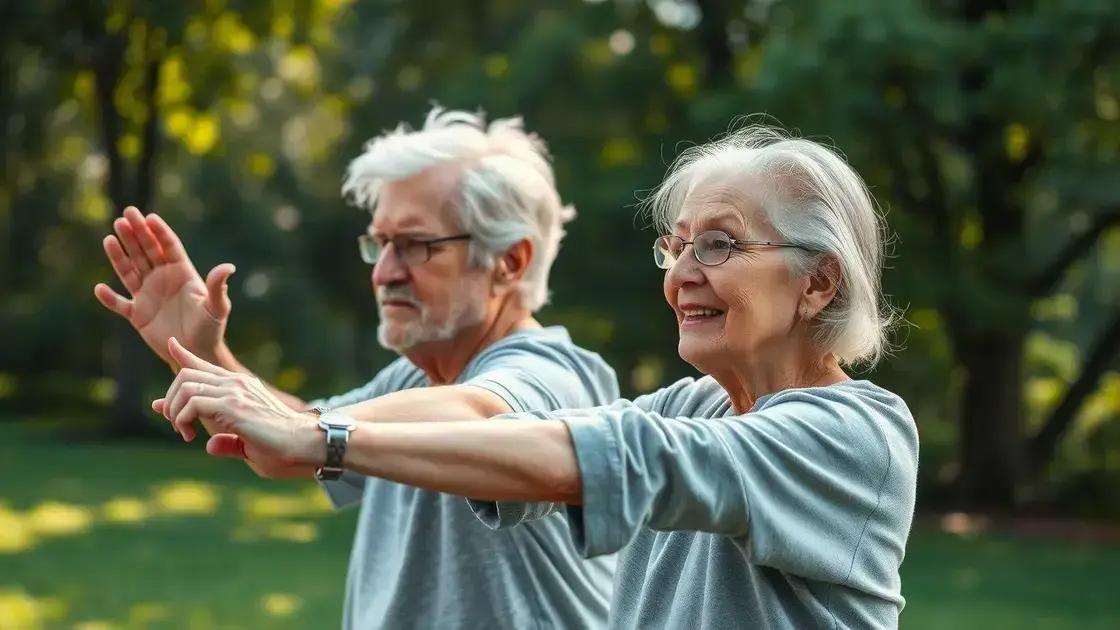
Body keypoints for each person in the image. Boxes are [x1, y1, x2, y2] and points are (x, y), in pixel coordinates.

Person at [162, 122, 919, 629]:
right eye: (676, 247)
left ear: (819, 282)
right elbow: (550, 450)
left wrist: (325, 438)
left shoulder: (852, 434)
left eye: (717, 246)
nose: (682, 274)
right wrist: (214, 365)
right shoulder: (697, 405)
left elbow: (592, 452)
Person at [95, 107, 619, 629]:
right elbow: (289, 446)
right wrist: (199, 351)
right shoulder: (416, 379)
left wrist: (312, 432)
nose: (384, 273)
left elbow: (479, 416)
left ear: (510, 261)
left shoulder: (555, 374)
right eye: (381, 244)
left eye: (415, 245)